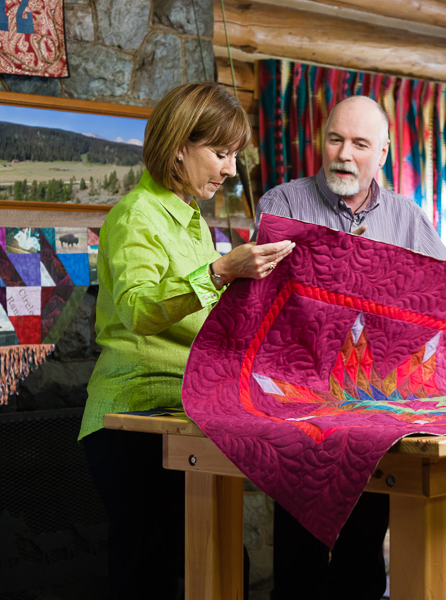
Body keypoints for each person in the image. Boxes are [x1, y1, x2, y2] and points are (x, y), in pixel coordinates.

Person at [255, 95, 446, 600]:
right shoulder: (282, 204)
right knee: (298, 557)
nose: (343, 154)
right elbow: (267, 301)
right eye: (335, 139)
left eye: (360, 144)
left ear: (383, 153)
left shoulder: (406, 217)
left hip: (378, 404)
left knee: (363, 553)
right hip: (301, 405)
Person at [79, 81, 295, 600]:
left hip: (189, 412)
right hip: (133, 417)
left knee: (224, 563)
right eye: (220, 153)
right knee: (148, 575)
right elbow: (138, 309)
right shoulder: (136, 215)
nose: (230, 169)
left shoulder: (194, 222)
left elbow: (206, 318)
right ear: (179, 147)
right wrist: (219, 271)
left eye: (234, 155)